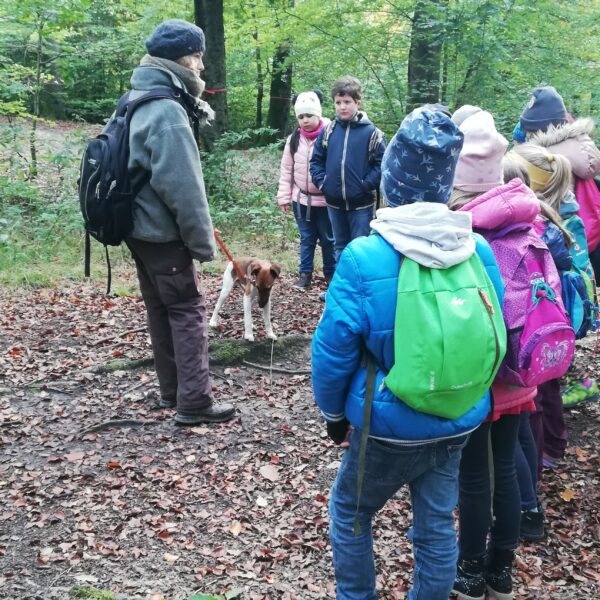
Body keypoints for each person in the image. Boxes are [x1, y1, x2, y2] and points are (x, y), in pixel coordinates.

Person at [312, 107, 505, 600]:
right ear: (445, 185)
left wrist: (334, 413)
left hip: (387, 424)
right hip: (459, 415)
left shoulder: (363, 257)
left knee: (351, 513)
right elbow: (492, 332)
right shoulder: (477, 250)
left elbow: (332, 351)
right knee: (437, 525)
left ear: (391, 180)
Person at [122, 19, 234, 425]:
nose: (201, 66)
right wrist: (202, 244)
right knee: (186, 308)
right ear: (180, 59)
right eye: (197, 56)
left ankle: (172, 390)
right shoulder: (168, 110)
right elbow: (184, 189)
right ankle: (195, 403)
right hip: (161, 232)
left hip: (137, 229)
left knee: (161, 306)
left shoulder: (137, 94)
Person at [448, 109, 540, 600]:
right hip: (522, 366)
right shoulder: (529, 215)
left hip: (481, 372)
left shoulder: (464, 232)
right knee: (504, 469)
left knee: (473, 476)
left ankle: (469, 570)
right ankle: (501, 571)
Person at [514, 85, 600, 277]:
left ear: (536, 129)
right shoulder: (582, 148)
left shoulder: (544, 158)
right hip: (588, 241)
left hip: (560, 245)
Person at [309, 75, 386, 266]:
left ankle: (359, 292)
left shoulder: (372, 133)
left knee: (360, 248)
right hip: (334, 203)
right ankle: (341, 290)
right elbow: (316, 161)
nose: (342, 107)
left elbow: (382, 165)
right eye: (338, 102)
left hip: (361, 204)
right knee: (340, 247)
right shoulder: (328, 131)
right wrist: (323, 183)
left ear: (357, 103)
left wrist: (364, 185)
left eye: (347, 102)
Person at [276, 90, 335, 290]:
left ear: (318, 114)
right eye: (301, 116)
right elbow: (287, 169)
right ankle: (305, 274)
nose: (305, 120)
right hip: (301, 200)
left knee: (328, 239)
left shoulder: (331, 135)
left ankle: (330, 273)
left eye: (309, 115)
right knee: (307, 238)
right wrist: (284, 196)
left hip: (326, 200)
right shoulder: (294, 139)